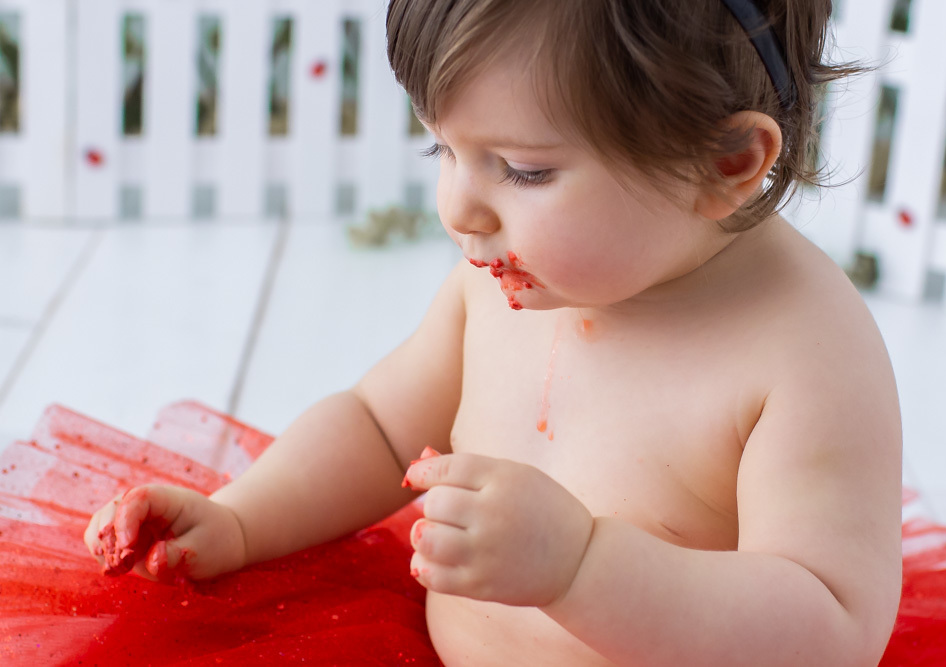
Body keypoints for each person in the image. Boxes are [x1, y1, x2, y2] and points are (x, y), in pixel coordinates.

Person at [85, 0, 903, 664]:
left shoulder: (803, 355)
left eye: (524, 169)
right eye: (441, 146)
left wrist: (583, 566)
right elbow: (377, 428)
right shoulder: (498, 290)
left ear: (727, 161)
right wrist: (241, 520)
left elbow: (831, 630)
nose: (457, 209)